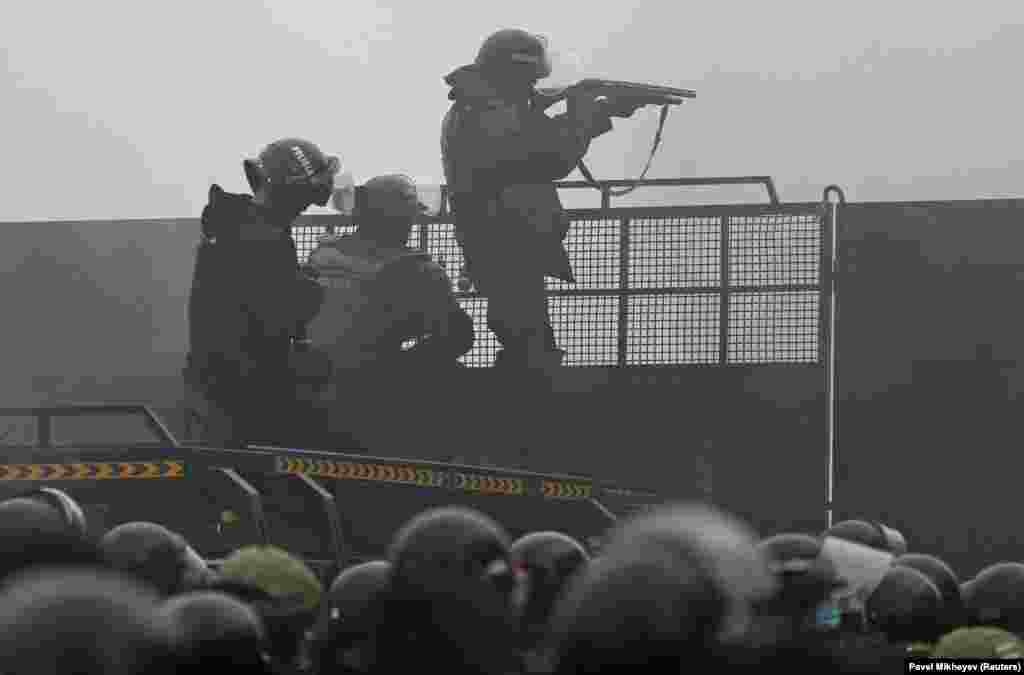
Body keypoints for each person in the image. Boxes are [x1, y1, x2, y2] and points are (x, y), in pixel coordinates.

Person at [440, 29, 645, 465]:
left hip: (503, 236)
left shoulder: (487, 103)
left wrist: (598, 109)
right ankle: (522, 439)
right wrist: (585, 113)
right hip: (505, 239)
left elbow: (533, 134)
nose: (534, 87)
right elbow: (549, 155)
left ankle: (522, 433)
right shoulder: (490, 109)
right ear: (514, 73)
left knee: (525, 337)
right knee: (527, 344)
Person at [184, 138, 338, 449]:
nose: (307, 205)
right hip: (249, 389)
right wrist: (313, 286)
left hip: (214, 378)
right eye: (306, 196)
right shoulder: (264, 238)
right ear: (295, 193)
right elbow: (285, 311)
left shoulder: (234, 219)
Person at [305, 174, 474, 452]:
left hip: (314, 380)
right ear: (402, 220)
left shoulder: (322, 254)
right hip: (371, 392)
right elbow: (459, 336)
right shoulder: (417, 270)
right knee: (454, 375)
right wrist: (405, 363)